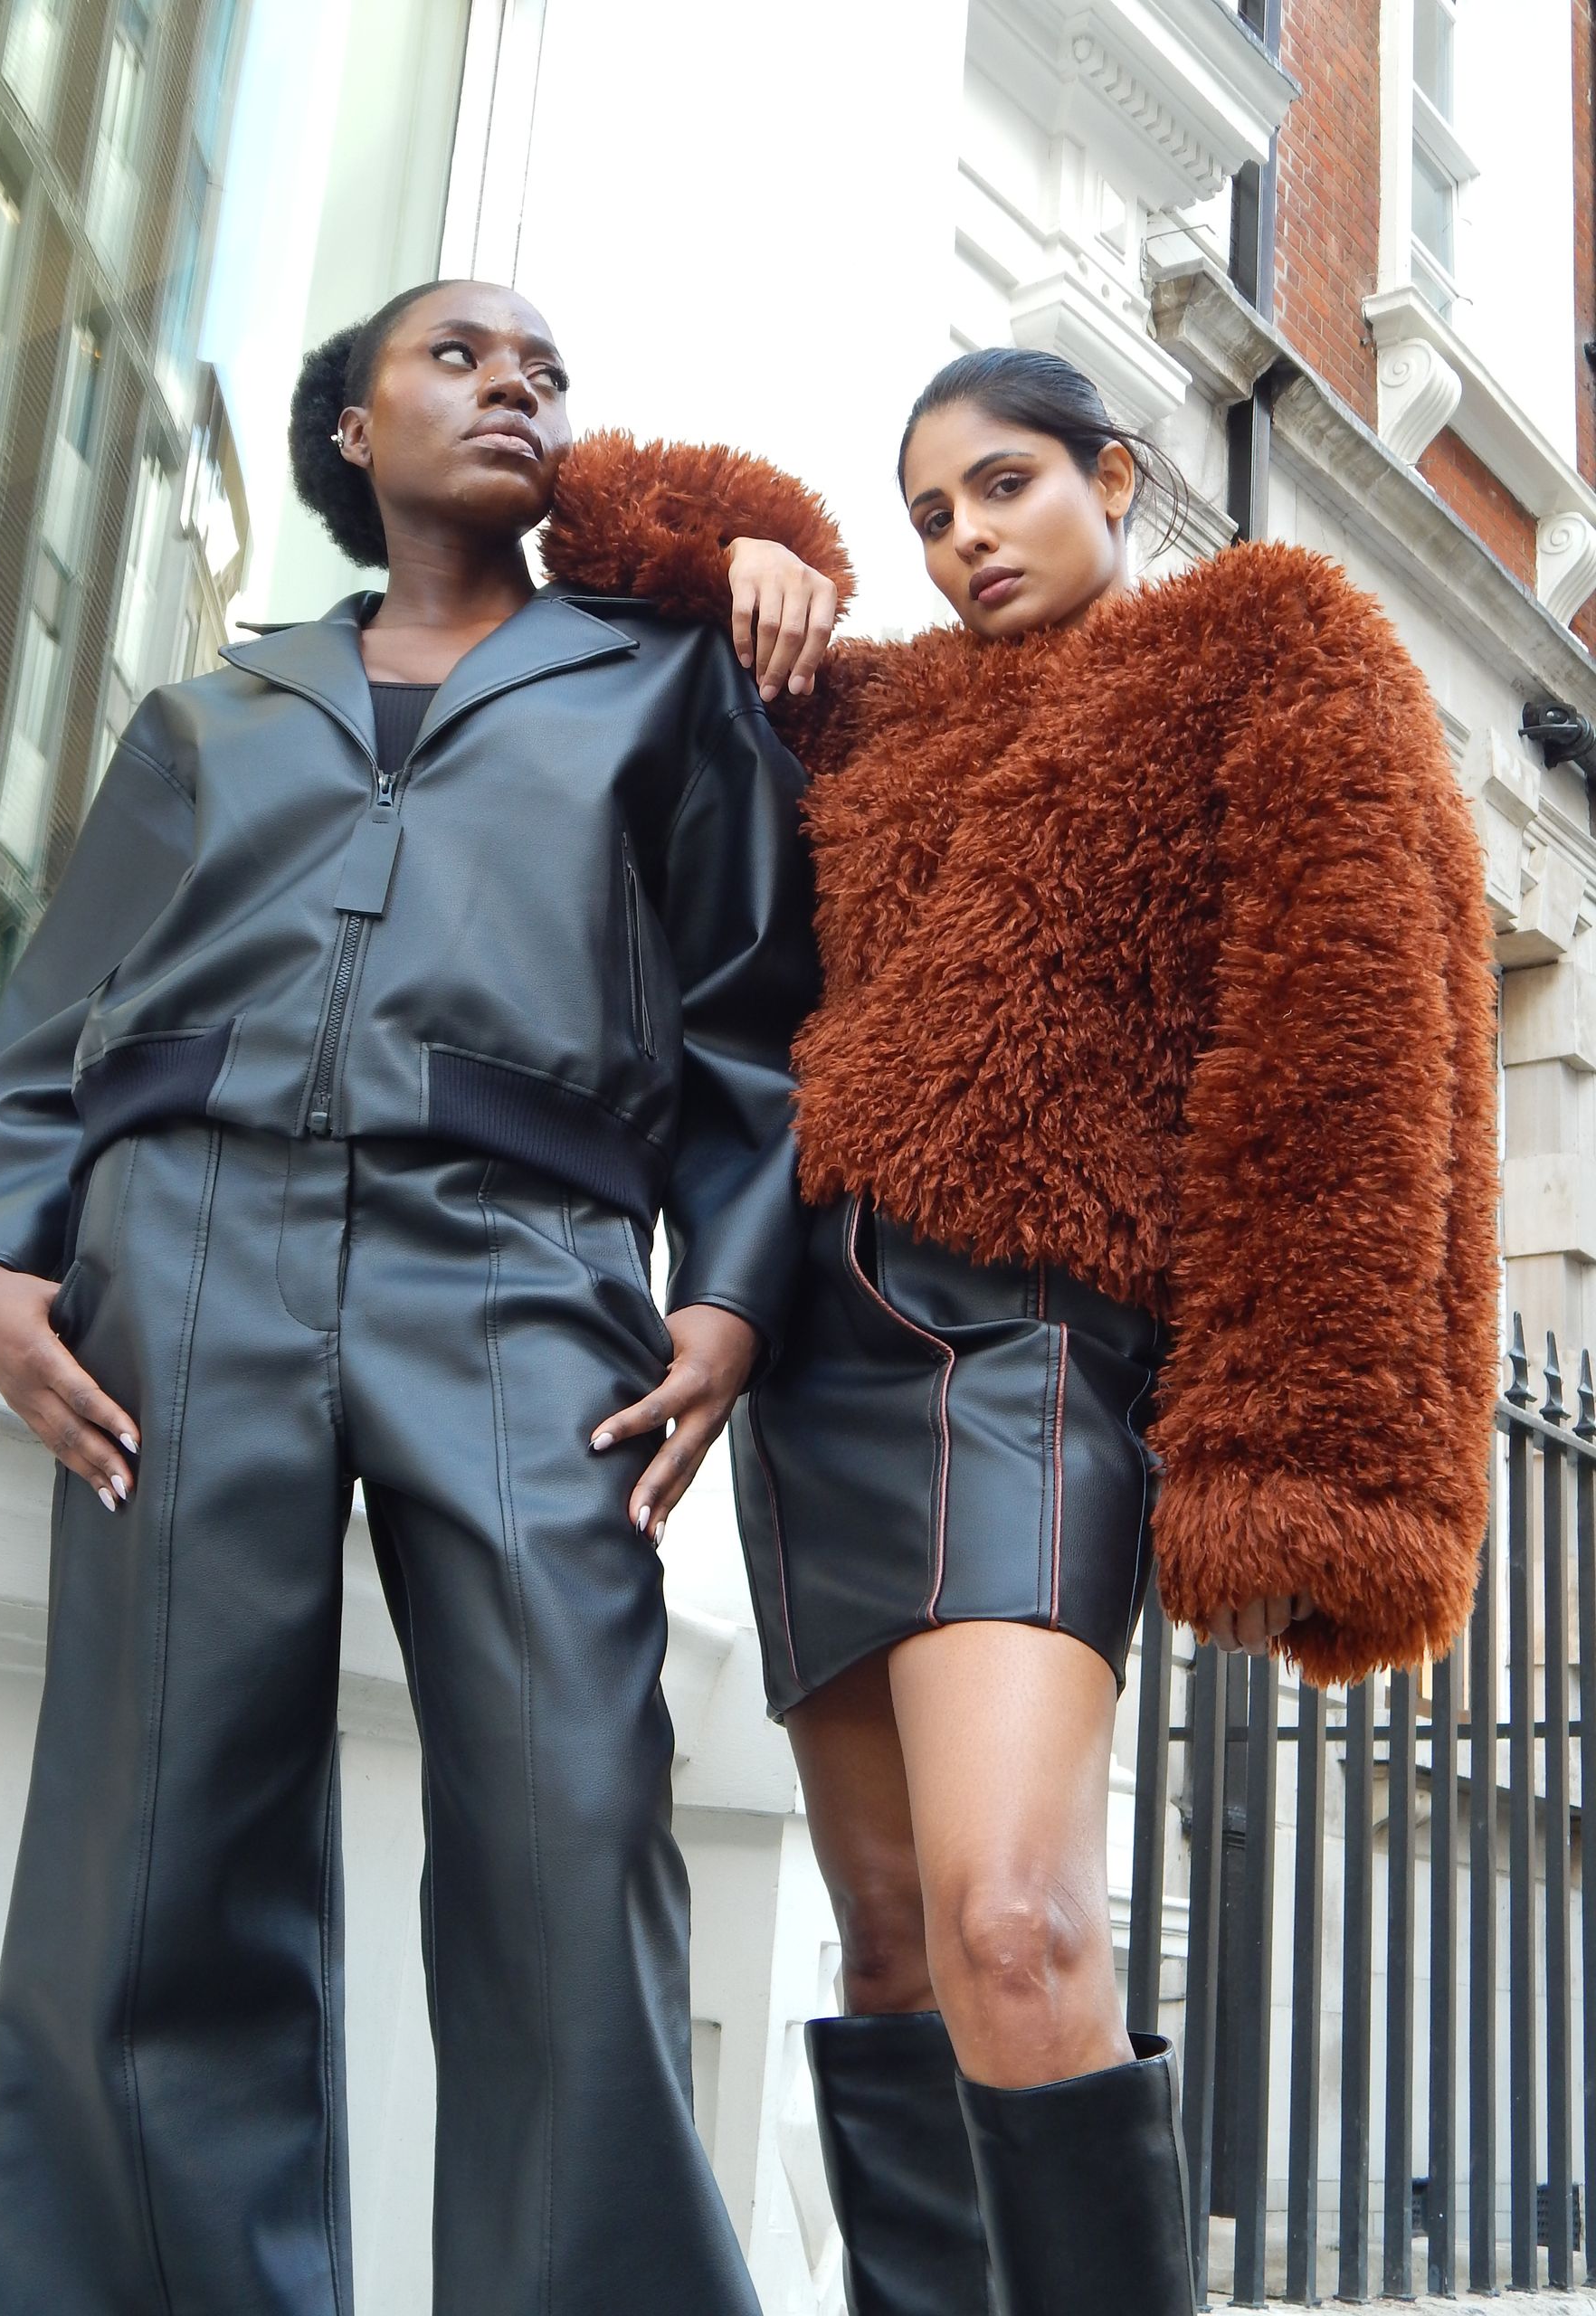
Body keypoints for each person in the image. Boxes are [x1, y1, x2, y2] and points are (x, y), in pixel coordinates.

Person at [0, 279, 835, 2316]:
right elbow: (47, 1033)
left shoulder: (659, 683)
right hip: (188, 1258)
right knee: (154, 1856)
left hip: (522, 1267)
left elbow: (756, 1033)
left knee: (571, 1830)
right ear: (352, 427)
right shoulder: (206, 718)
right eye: (462, 356)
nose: (518, 385)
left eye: (548, 370)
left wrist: (735, 1297)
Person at [542, 350, 1497, 2315]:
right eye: (929, 515)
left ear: (1115, 476)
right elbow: (594, 518)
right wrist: (754, 547)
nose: (965, 536)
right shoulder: (872, 712)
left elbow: (1357, 1026)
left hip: (1033, 1345)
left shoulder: (1262, 640)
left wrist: (1307, 1431)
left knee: (1021, 1920)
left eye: (1002, 486)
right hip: (816, 1364)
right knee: (890, 1940)